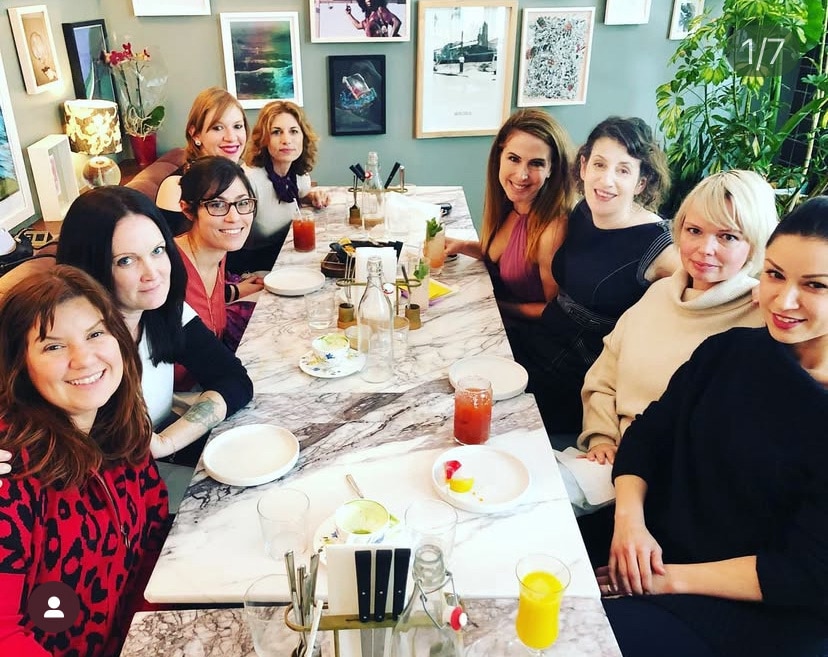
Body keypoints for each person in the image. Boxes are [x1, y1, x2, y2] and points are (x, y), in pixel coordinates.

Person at [591, 197, 828, 657]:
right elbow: (649, 433)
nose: (784, 300)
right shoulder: (730, 351)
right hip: (651, 546)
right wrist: (629, 522)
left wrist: (663, 580)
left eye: (815, 285)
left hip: (753, 610)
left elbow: (805, 572)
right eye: (775, 274)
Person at [0, 265, 169, 657]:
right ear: (20, 365)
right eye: (53, 346)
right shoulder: (10, 471)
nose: (84, 359)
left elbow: (154, 542)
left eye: (95, 334)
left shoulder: (120, 427)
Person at [579, 170, 778, 464]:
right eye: (694, 230)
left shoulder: (765, 319)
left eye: (727, 236)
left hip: (673, 477)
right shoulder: (659, 293)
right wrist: (601, 437)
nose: (705, 249)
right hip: (607, 459)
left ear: (755, 244)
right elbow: (603, 377)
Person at [56, 186, 253, 465]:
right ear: (90, 268)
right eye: (126, 261)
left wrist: (167, 442)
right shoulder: (79, 350)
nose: (153, 273)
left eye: (157, 251)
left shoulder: (161, 311)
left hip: (156, 464)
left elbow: (233, 379)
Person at [510, 116, 680, 437]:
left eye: (623, 170)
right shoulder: (583, 210)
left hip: (580, 378)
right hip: (541, 341)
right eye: (600, 164)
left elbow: (707, 291)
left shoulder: (658, 246)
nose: (606, 180)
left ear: (641, 183)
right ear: (584, 166)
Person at [445, 108, 575, 324]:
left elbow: (554, 310)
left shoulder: (552, 230)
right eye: (514, 159)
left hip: (522, 333)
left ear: (551, 169)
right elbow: (503, 256)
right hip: (494, 317)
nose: (522, 175)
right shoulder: (511, 203)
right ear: (500, 157)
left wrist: (495, 305)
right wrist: (462, 246)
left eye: (536, 163)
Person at [175, 156, 263, 356]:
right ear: (187, 209)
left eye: (243, 202)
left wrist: (236, 291)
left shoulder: (217, 252)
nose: (234, 217)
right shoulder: (167, 270)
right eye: (216, 205)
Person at [235, 100, 329, 273]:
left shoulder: (299, 175)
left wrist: (311, 197)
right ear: (264, 139)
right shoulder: (248, 181)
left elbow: (296, 197)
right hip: (252, 267)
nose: (286, 140)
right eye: (276, 132)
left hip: (288, 255)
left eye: (293, 131)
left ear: (303, 137)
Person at [156, 87, 249, 235]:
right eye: (218, 128)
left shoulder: (240, 177)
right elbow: (173, 247)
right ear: (195, 134)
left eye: (237, 126)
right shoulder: (175, 187)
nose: (231, 137)